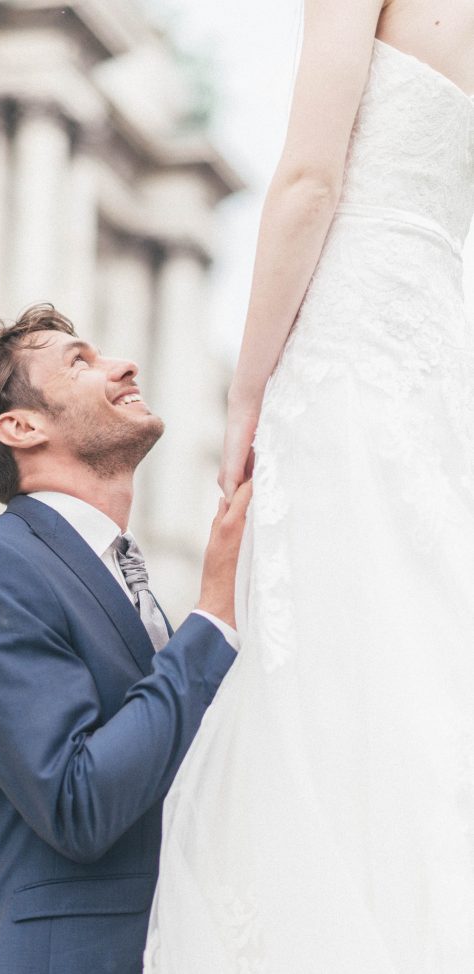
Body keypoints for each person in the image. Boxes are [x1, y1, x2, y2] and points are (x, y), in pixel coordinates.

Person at [145, 1, 474, 971]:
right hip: (433, 326)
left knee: (324, 656)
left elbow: (303, 182)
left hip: (350, 320)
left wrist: (242, 391)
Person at [0, 303, 251, 974]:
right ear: (21, 426)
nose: (122, 365)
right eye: (80, 361)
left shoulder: (128, 583)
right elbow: (78, 803)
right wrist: (213, 616)